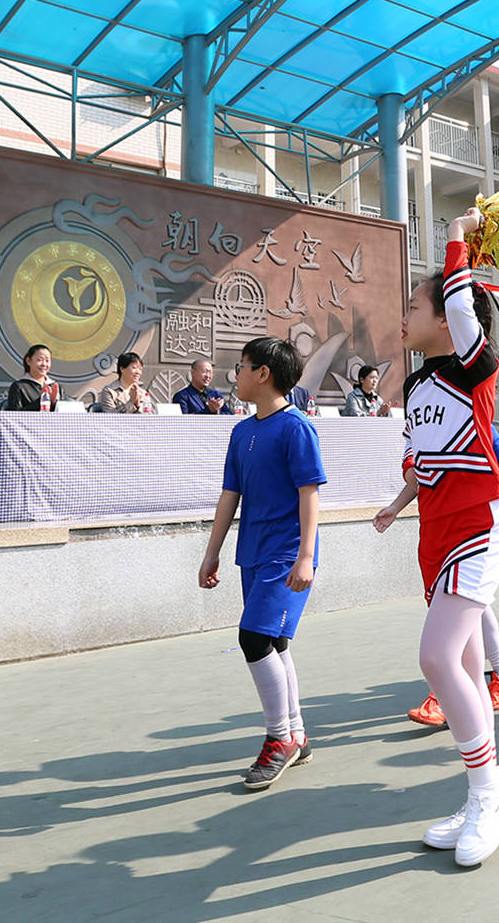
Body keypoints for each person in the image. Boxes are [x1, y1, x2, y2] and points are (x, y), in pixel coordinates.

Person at [371, 208, 499, 867]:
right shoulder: (418, 381)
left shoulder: (470, 365)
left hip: (480, 523)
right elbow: (416, 456)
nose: (404, 315)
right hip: (435, 529)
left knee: (436, 659)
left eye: (413, 304)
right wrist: (401, 491)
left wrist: (456, 238)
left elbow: (464, 308)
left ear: (447, 316)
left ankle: (488, 794)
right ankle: (488, 792)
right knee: (457, 666)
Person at [197, 336, 326, 791]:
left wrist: (306, 556)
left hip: (285, 553)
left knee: (252, 638)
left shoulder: (297, 428)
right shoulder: (242, 431)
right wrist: (212, 552)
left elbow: (309, 492)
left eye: (241, 367)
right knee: (274, 643)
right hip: (251, 553)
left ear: (263, 374)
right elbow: (230, 495)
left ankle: (279, 738)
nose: (235, 375)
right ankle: (296, 732)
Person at [406, 429, 499, 727]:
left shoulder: (471, 415)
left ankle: (448, 694)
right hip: (439, 526)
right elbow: (417, 479)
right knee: (470, 605)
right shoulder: (418, 429)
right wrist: (395, 506)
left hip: (477, 524)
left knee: (459, 611)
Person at [4, 344, 60, 411]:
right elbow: (15, 416)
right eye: (39, 360)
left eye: (47, 360)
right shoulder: (19, 387)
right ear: (28, 361)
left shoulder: (55, 387)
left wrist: (53, 403)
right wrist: (42, 401)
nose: (44, 364)